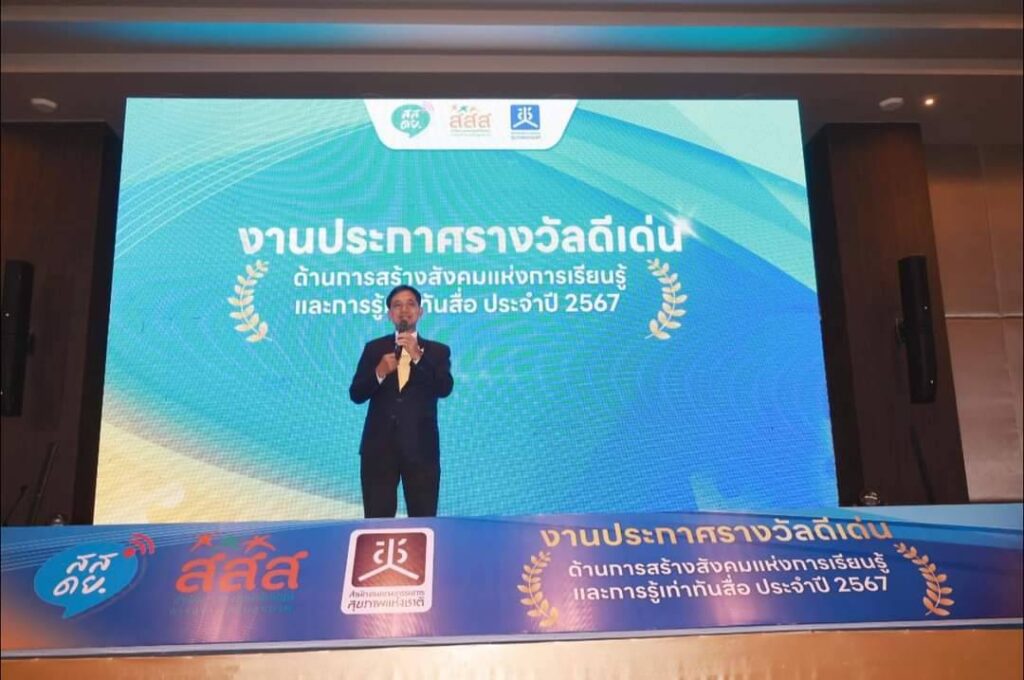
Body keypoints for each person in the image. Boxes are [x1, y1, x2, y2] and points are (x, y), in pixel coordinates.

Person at [349, 285, 454, 518]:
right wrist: (379, 372)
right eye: (397, 305)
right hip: (378, 450)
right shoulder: (374, 349)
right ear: (390, 314)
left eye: (410, 304)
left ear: (420, 312)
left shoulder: (438, 351)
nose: (404, 310)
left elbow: (444, 388)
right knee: (377, 522)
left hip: (421, 450)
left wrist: (418, 357)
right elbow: (356, 394)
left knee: (423, 520)